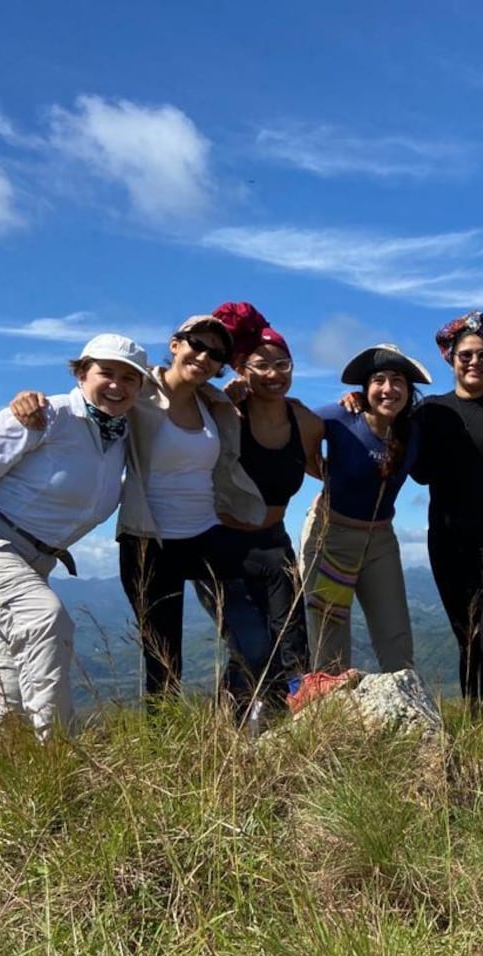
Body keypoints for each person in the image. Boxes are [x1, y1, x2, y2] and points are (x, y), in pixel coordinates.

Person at [10, 315, 267, 702]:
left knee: (253, 640)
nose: (204, 356)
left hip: (209, 535)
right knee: (163, 662)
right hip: (150, 542)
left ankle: (234, 724)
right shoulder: (138, 390)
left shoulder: (214, 403)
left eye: (216, 353)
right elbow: (94, 395)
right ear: (176, 343)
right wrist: (29, 398)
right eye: (197, 344)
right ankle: (166, 748)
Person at [0, 334, 148, 740]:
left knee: (2, 677)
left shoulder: (122, 435)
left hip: (36, 560)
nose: (117, 385)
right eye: (106, 373)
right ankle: (59, 751)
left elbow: (178, 387)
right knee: (45, 618)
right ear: (81, 374)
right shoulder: (49, 415)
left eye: (130, 379)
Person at [344, 312, 483, 708]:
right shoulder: (429, 414)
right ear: (451, 359)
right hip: (448, 541)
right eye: (466, 355)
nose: (475, 362)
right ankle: (479, 731)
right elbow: (388, 421)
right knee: (469, 637)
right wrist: (357, 402)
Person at [192, 301, 323, 715]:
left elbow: (331, 464)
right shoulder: (223, 411)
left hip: (274, 544)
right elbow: (173, 400)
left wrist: (356, 401)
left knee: (293, 645)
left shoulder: (305, 421)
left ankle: (291, 726)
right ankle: (231, 731)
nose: (273, 374)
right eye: (260, 365)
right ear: (239, 369)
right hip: (222, 546)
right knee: (250, 646)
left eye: (282, 363)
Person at [300, 344, 430, 674]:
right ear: (365, 387)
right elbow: (297, 427)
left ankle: (405, 717)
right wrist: (320, 469)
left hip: (380, 542)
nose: (388, 389)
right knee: (329, 637)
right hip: (332, 539)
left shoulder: (412, 431)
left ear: (409, 389)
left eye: (398, 380)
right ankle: (332, 720)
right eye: (379, 380)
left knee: (396, 639)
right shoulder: (341, 417)